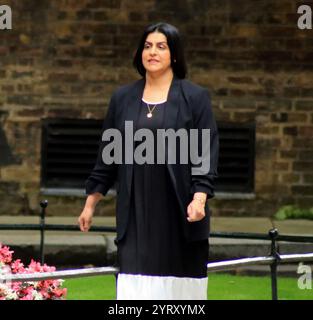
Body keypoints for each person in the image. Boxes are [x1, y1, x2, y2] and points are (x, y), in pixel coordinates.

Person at [78, 22, 219, 300]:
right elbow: (108, 156)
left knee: (179, 293)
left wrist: (199, 198)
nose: (152, 52)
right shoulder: (122, 98)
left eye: (161, 47)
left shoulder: (195, 98)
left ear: (174, 55)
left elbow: (205, 153)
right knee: (136, 290)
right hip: (136, 212)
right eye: (147, 46)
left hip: (179, 209)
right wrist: (90, 204)